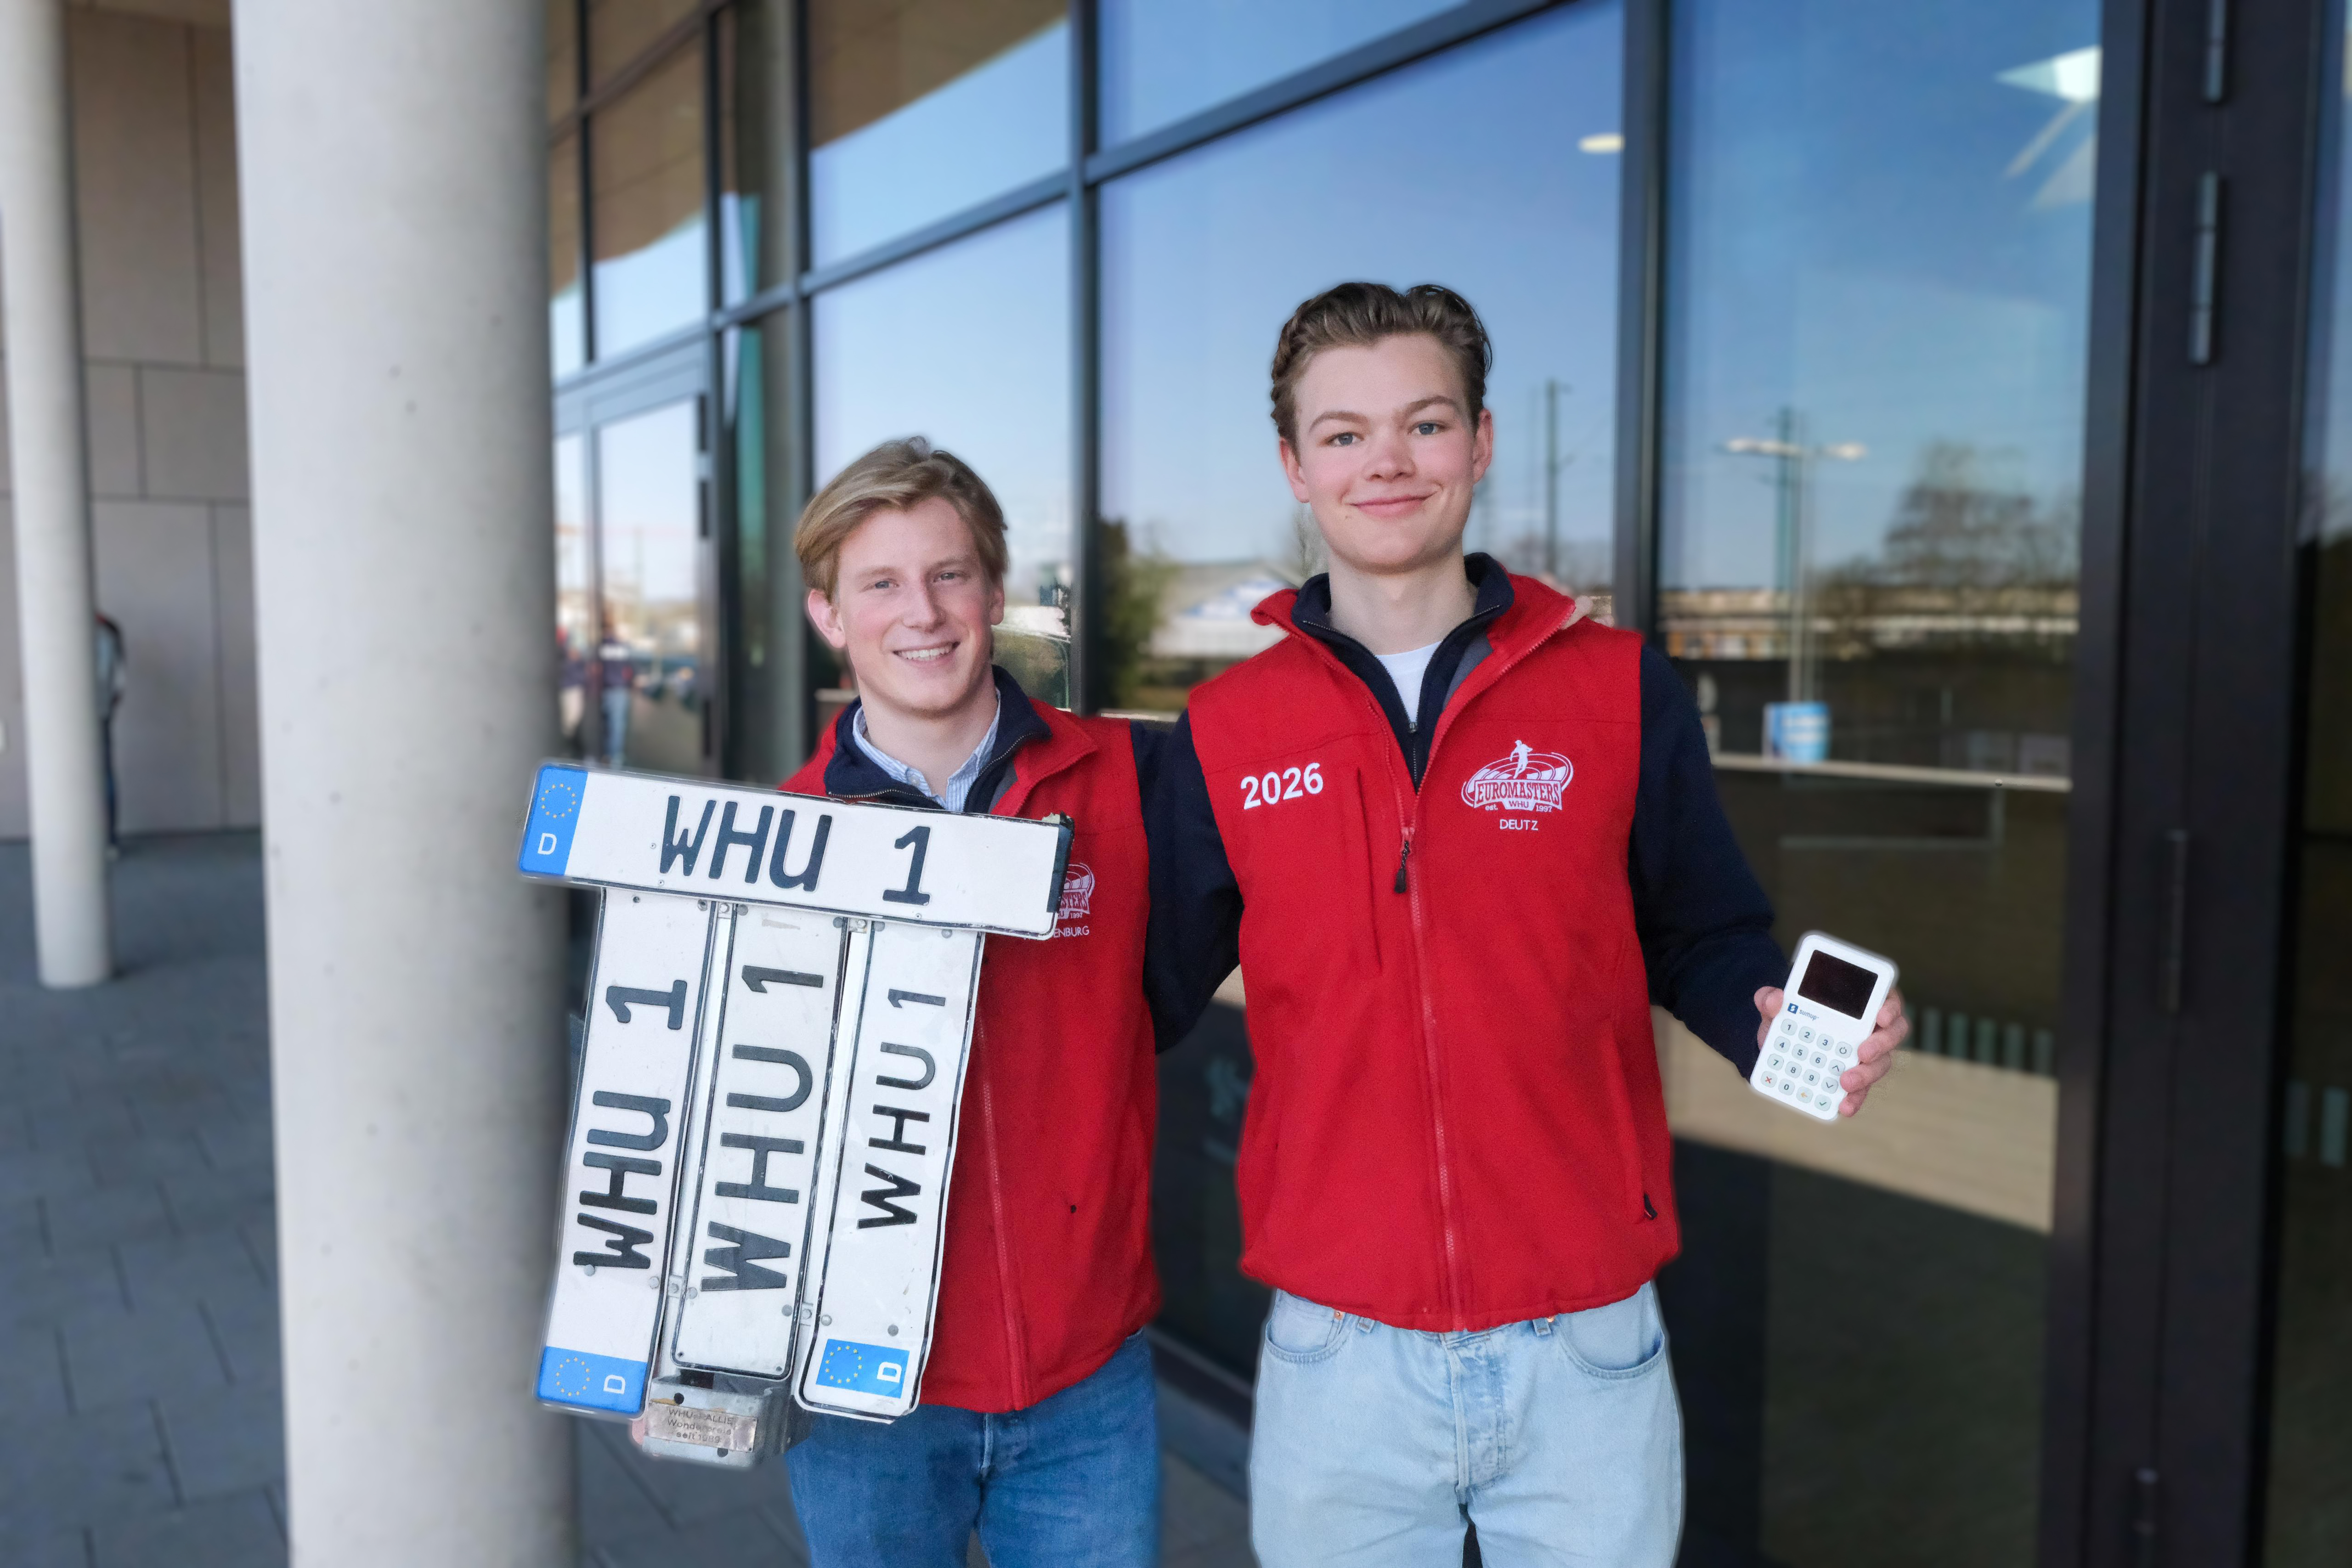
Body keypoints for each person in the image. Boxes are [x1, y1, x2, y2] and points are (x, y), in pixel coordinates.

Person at [1142, 282, 1911, 1566]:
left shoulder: (1616, 687)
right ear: (1295, 467)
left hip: (1585, 1344)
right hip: (1337, 1349)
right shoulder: (1227, 730)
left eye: (1425, 422)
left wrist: (1770, 1015)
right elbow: (1136, 990)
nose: (1387, 460)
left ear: (1481, 440)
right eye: (1343, 433)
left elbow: (1704, 929)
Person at [778, 437, 1167, 1567]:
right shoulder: (782, 845)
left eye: (949, 573)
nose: (923, 612)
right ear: (828, 616)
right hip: (863, 1392)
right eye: (880, 584)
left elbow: (1168, 994)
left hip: (1088, 1377)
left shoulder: (1132, 785)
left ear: (995, 593)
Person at [95, 611, 126, 853]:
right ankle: (109, 840)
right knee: (105, 774)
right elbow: (119, 683)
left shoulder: (63, 631)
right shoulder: (109, 631)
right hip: (102, 711)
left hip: (69, 718)